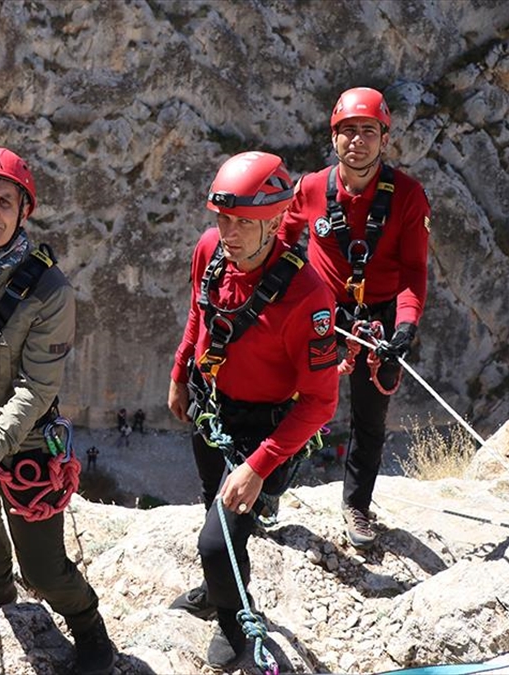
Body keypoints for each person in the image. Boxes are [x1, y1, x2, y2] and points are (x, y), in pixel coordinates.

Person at [0, 147, 115, 675]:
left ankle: (89, 627)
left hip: (22, 441)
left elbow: (36, 389)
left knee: (43, 567)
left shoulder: (50, 291)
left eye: (3, 203)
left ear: (23, 211)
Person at [167, 151, 338, 667]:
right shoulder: (210, 251)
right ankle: (217, 587)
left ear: (274, 221)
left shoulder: (309, 297)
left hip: (263, 429)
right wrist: (180, 373)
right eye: (222, 219)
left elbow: (321, 402)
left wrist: (259, 466)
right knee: (210, 505)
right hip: (210, 407)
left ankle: (236, 621)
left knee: (217, 542)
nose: (228, 232)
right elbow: (201, 315)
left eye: (242, 223)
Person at [277, 87, 431, 549]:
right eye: (348, 131)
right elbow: (283, 243)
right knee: (292, 401)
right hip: (324, 315)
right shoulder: (310, 189)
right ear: (334, 138)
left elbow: (414, 271)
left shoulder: (407, 196)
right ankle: (267, 492)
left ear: (384, 139)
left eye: (368, 131)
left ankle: (357, 508)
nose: (357, 141)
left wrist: (405, 326)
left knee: (369, 417)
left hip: (380, 318)